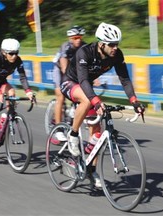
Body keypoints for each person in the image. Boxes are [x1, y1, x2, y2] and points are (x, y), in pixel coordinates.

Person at [60, 22, 145, 187]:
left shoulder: (117, 55)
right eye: (111, 44)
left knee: (97, 133)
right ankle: (73, 135)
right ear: (101, 43)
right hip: (71, 83)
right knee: (87, 99)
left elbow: (124, 79)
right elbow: (83, 80)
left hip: (86, 87)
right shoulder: (84, 52)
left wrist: (134, 100)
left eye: (117, 44)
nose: (115, 47)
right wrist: (96, 100)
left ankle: (90, 170)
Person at [0, 38, 34, 157]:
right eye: (11, 53)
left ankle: (9, 116)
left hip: (1, 82)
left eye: (16, 53)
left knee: (12, 92)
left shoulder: (18, 60)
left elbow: (23, 77)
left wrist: (28, 91)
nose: (14, 56)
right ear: (4, 52)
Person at [52, 25, 87, 141]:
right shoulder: (65, 47)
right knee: (61, 97)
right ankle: (58, 129)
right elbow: (64, 68)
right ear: (70, 38)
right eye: (76, 38)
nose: (78, 40)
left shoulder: (84, 46)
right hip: (61, 71)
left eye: (80, 37)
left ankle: (73, 112)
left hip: (73, 72)